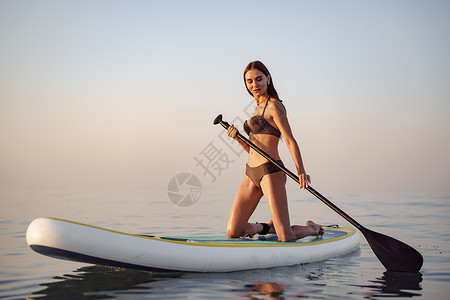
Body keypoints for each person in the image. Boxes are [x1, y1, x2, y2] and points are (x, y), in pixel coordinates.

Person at [226, 61, 323, 242]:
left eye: (259, 79)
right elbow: (253, 150)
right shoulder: (255, 108)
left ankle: (312, 229)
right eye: (249, 81)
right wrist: (238, 138)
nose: (254, 85)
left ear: (268, 79)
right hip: (251, 173)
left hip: (271, 172)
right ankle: (265, 227)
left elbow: (289, 140)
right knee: (234, 231)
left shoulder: (274, 106)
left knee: (285, 236)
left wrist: (300, 170)